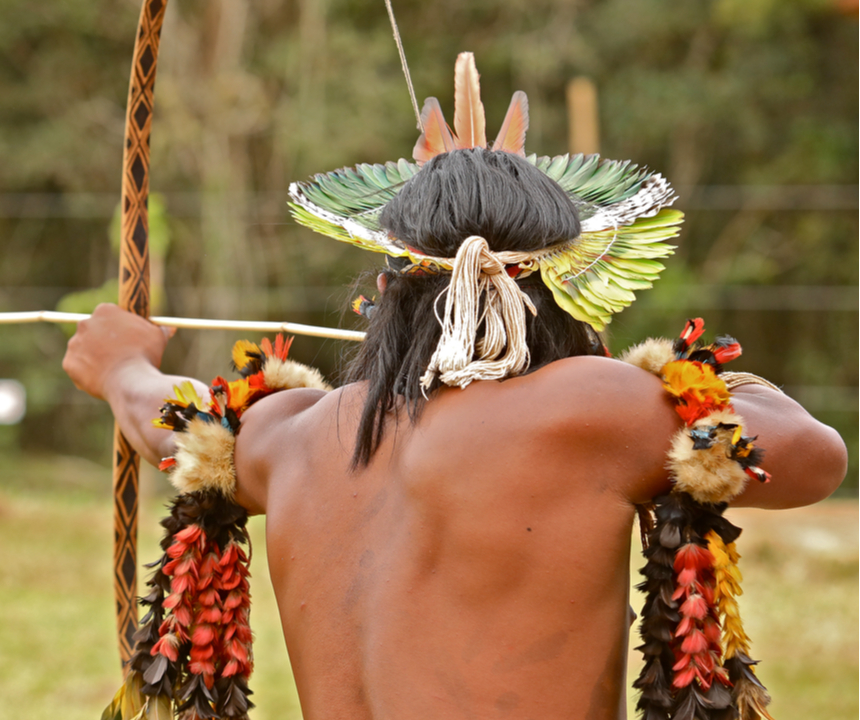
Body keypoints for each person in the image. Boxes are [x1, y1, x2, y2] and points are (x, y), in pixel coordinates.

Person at [64, 59, 848, 720]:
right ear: (560, 290)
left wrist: (122, 366)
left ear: (385, 287)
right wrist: (644, 371)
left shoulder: (289, 434)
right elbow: (811, 455)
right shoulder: (591, 409)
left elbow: (163, 418)